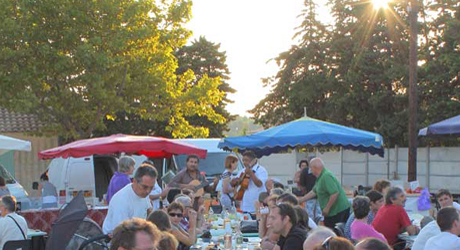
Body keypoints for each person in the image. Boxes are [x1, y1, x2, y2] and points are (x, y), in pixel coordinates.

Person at [103, 164, 157, 234]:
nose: (148, 191)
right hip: (119, 239)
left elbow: (148, 211)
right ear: (134, 181)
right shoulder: (122, 201)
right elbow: (121, 233)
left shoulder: (143, 193)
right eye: (145, 187)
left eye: (151, 188)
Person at [299, 158, 350, 229]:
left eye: (310, 168)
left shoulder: (326, 176)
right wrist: (301, 200)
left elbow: (335, 193)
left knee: (334, 232)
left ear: (315, 168)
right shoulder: (320, 177)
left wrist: (327, 208)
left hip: (338, 211)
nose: (310, 170)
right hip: (333, 212)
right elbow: (314, 191)